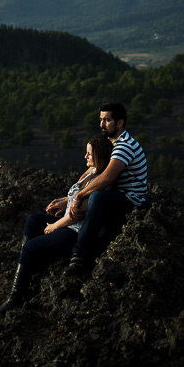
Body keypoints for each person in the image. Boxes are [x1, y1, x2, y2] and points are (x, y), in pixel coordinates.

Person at [0, 135, 113, 312]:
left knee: (29, 248)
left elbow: (76, 215)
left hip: (74, 231)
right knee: (33, 220)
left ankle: (15, 298)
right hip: (67, 221)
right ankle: (30, 269)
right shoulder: (91, 171)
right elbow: (75, 197)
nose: (85, 157)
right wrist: (65, 201)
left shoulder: (100, 181)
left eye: (89, 153)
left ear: (99, 155)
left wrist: (54, 227)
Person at [64, 101, 148, 277]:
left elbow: (107, 177)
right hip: (117, 193)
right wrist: (68, 199)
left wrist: (79, 196)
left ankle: (79, 254)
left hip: (132, 199)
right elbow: (95, 172)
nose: (102, 124)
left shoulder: (124, 145)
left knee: (97, 198)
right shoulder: (111, 144)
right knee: (93, 195)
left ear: (120, 123)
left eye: (107, 120)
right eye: (101, 119)